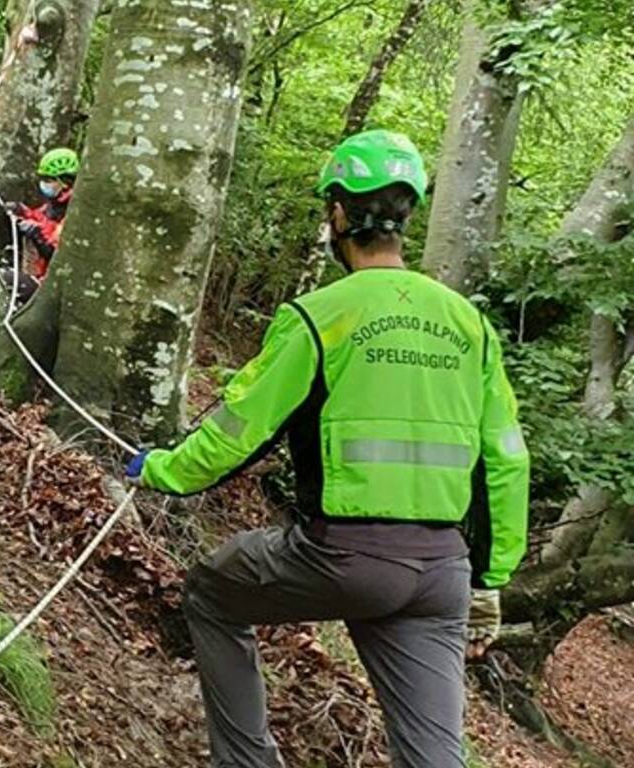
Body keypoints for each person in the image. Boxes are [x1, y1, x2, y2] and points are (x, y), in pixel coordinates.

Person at [124, 130, 530, 768]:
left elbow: (241, 428)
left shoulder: (320, 314)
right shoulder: (468, 324)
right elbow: (507, 459)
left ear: (337, 214)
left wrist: (161, 472)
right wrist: (492, 578)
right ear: (404, 220)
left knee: (210, 593)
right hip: (443, 575)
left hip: (342, 557)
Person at [3, 147, 79, 303]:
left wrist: (38, 235)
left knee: (2, 278)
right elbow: (41, 218)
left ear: (64, 182)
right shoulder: (54, 205)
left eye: (49, 180)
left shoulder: (74, 212)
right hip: (37, 276)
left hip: (49, 288)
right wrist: (22, 211)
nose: (44, 184)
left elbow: (58, 255)